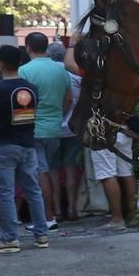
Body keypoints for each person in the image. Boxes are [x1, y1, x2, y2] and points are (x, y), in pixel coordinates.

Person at [0, 44, 50, 253]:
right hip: (28, 144)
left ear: (0, 63)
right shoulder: (31, 89)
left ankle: (9, 239)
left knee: (6, 193)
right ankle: (41, 234)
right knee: (33, 191)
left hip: (3, 145)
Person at [18, 31, 73, 229]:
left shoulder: (24, 70)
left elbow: (22, 103)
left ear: (28, 48)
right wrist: (56, 114)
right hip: (55, 127)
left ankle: (47, 218)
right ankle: (50, 214)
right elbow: (68, 99)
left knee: (40, 174)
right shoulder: (61, 70)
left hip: (34, 129)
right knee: (48, 171)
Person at [46, 41, 85, 220]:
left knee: (53, 171)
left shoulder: (48, 76)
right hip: (72, 129)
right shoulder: (76, 77)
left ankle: (56, 210)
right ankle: (72, 208)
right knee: (71, 169)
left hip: (51, 129)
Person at [89, 119, 139, 230]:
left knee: (107, 174)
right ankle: (133, 216)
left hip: (102, 131)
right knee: (127, 172)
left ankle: (117, 218)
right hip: (124, 129)